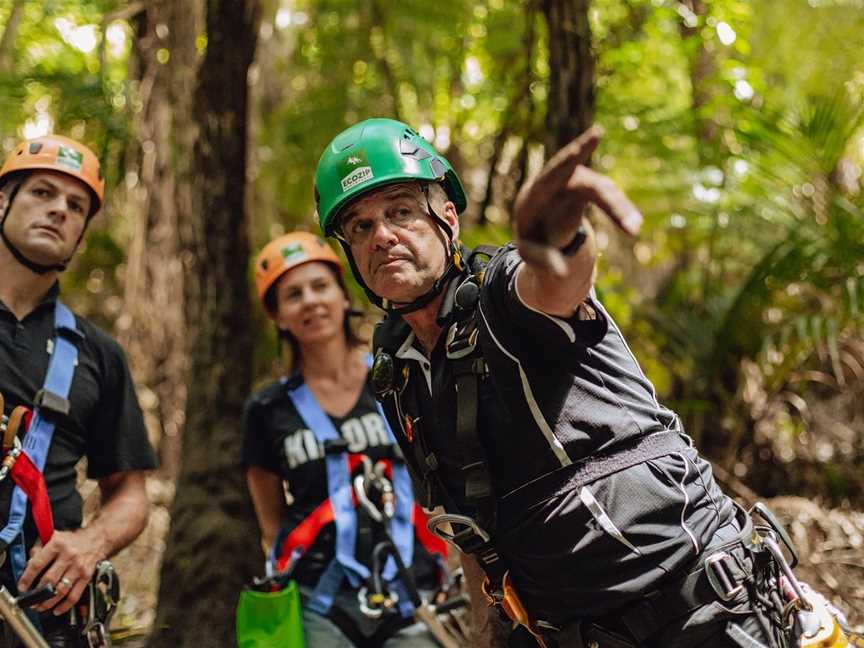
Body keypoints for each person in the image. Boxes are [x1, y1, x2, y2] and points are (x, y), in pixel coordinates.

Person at [311, 118, 827, 648]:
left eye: (400, 211)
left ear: (448, 219)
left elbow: (555, 284)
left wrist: (556, 240)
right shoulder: (396, 372)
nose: (383, 236)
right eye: (360, 226)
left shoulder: (502, 298)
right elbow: (467, 528)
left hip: (707, 613)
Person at [242, 231, 451, 647]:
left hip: (415, 590)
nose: (311, 301)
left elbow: (443, 476)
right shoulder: (267, 410)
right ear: (279, 316)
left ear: (342, 296)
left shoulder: (398, 377)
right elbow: (271, 523)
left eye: (321, 286)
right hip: (320, 601)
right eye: (293, 294)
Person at [0, 134, 156, 646]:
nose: (59, 211)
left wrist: (90, 544)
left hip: (40, 611)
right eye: (41, 193)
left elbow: (130, 492)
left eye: (75, 206)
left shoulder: (98, 353)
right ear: (4, 200)